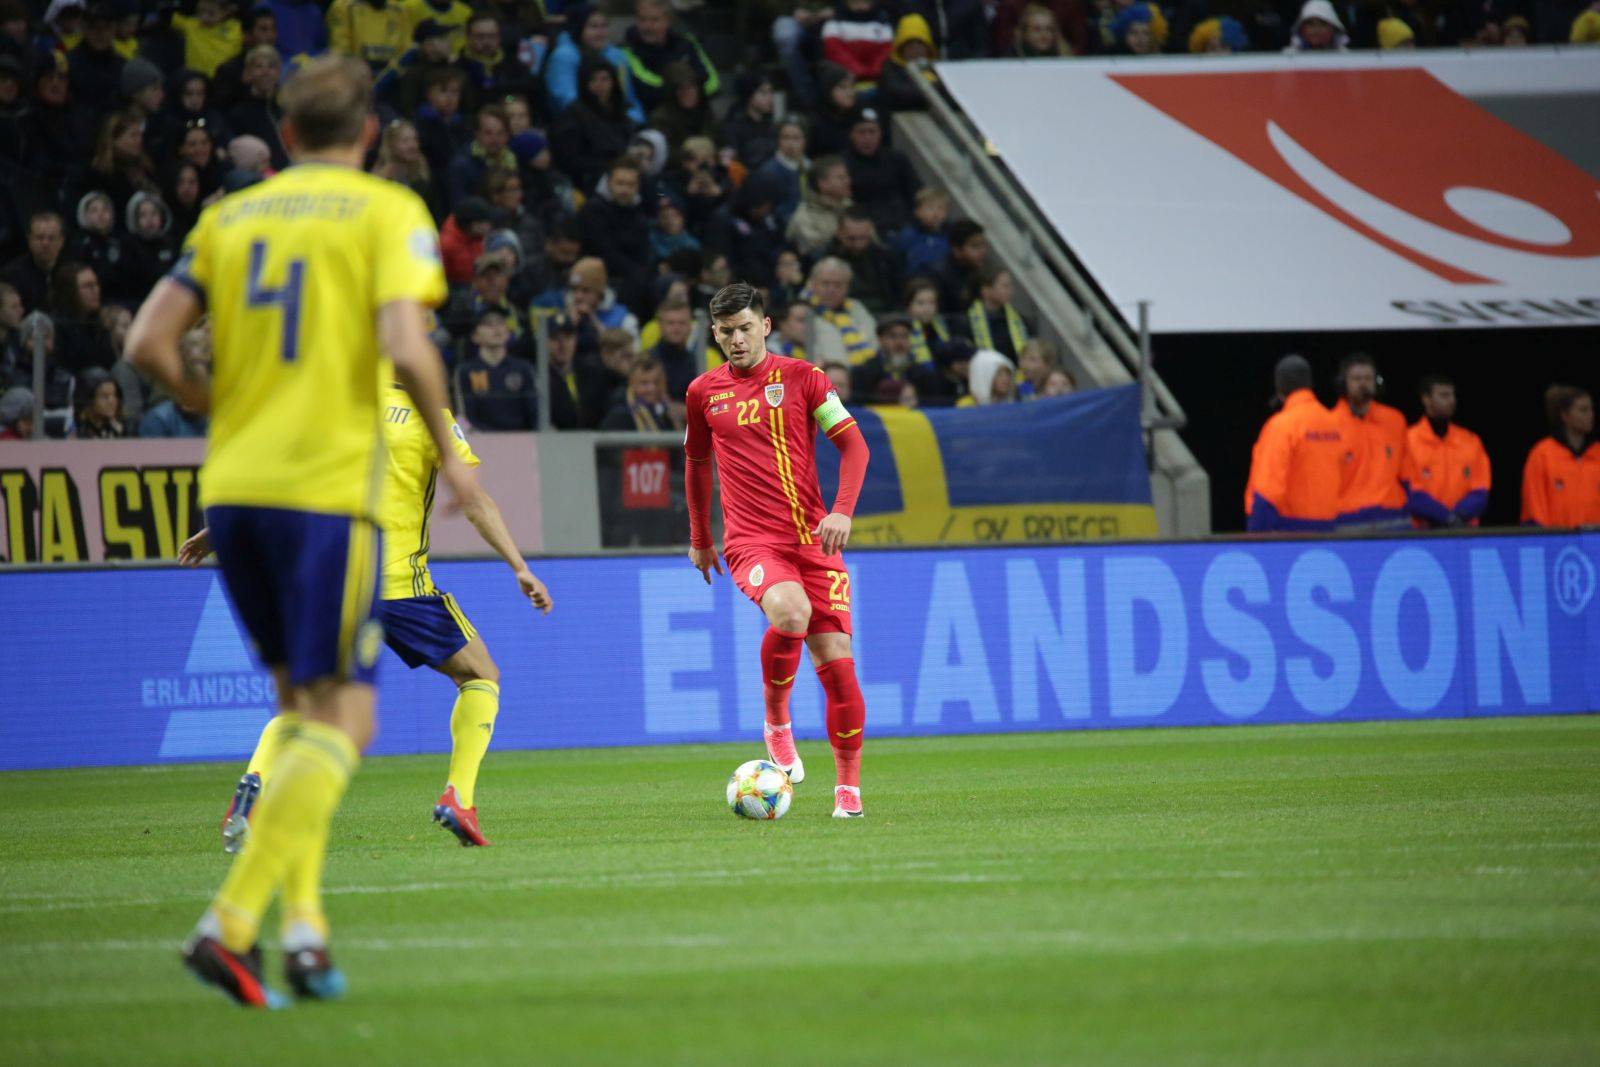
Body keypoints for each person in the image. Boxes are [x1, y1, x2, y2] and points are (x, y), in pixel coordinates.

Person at [126, 55, 475, 1009]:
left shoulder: (228, 217)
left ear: (283, 136)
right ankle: (229, 925)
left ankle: (308, 931)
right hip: (328, 497)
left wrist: (218, 407)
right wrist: (446, 446)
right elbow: (407, 345)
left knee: (301, 709)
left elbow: (146, 344)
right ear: (365, 135)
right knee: (349, 717)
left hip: (234, 488)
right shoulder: (384, 212)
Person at [183, 356, 552, 849]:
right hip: (402, 587)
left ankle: (257, 781)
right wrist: (519, 566)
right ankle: (458, 797)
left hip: (333, 577)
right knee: (481, 675)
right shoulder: (430, 417)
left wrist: (220, 531)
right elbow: (474, 500)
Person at [684, 282, 872, 818]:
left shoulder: (805, 379)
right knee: (791, 611)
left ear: (766, 325)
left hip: (815, 538)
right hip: (753, 540)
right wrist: (701, 538)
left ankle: (848, 794)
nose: (736, 340)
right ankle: (777, 721)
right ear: (714, 333)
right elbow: (697, 465)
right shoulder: (703, 392)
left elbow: (854, 445)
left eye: (745, 328)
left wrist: (842, 509)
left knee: (838, 665)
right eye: (725, 332)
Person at [1244, 355, 1344, 532]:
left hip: (1289, 531)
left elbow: (1269, 489)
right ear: (1309, 383)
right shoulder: (1334, 424)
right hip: (1329, 528)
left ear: (1279, 386)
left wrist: (1257, 533)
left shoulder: (1281, 426)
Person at [1402, 374, 1489, 529]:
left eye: (1452, 395)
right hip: (1422, 534)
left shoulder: (1471, 441)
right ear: (1426, 399)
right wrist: (1446, 517)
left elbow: (1481, 491)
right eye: (1444, 395)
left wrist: (1457, 517)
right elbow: (1410, 493)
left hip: (1465, 532)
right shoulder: (1408, 441)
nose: (1452, 401)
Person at [1332, 353, 1408, 529]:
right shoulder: (1329, 425)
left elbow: (1408, 474)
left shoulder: (1395, 420)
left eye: (1368, 378)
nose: (1363, 384)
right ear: (1343, 384)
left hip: (1394, 518)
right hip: (1347, 521)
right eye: (1356, 378)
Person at [621, 0, 719, 115]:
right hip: (652, 119)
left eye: (654, 20)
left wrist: (685, 92)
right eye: (642, 20)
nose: (647, 26)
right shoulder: (627, 50)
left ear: (667, 21)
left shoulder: (687, 43)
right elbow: (647, 89)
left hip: (695, 116)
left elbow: (712, 83)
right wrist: (687, 91)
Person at [1522, 385, 1600, 527]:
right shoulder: (1542, 454)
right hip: (1557, 544)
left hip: (1595, 543)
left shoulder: (1597, 453)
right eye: (1583, 410)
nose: (1591, 415)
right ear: (1565, 416)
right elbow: (1534, 507)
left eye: (1591, 409)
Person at [453, 307, 537, 429]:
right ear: (475, 336)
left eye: (500, 322)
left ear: (508, 333)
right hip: (481, 442)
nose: (496, 328)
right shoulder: (465, 371)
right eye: (488, 324)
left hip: (523, 441)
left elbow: (535, 413)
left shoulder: (524, 369)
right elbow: (464, 417)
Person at [803, 256, 878, 367]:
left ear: (847, 288)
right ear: (813, 285)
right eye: (825, 283)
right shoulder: (803, 311)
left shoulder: (857, 308)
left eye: (838, 285)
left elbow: (874, 342)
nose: (831, 290)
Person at [786, 154, 852, 257]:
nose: (848, 181)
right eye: (841, 178)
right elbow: (814, 256)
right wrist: (837, 240)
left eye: (847, 176)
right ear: (822, 184)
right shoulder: (804, 218)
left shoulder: (849, 206)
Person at [967, 265, 1030, 362]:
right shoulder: (966, 321)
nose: (1010, 291)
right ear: (985, 290)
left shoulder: (1020, 321)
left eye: (1010, 286)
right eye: (1005, 286)